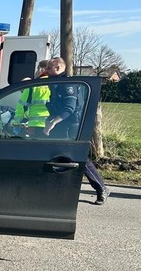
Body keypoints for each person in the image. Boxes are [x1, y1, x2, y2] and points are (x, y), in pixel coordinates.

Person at [42, 57, 110, 205]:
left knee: (78, 157)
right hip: (59, 125)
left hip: (71, 126)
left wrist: (53, 122)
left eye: (49, 68)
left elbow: (69, 108)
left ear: (58, 68)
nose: (46, 70)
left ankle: (101, 188)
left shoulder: (68, 84)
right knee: (55, 156)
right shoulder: (55, 83)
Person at [13, 72, 50, 138]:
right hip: (51, 124)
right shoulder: (55, 84)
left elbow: (22, 106)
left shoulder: (32, 86)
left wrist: (16, 123)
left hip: (35, 125)